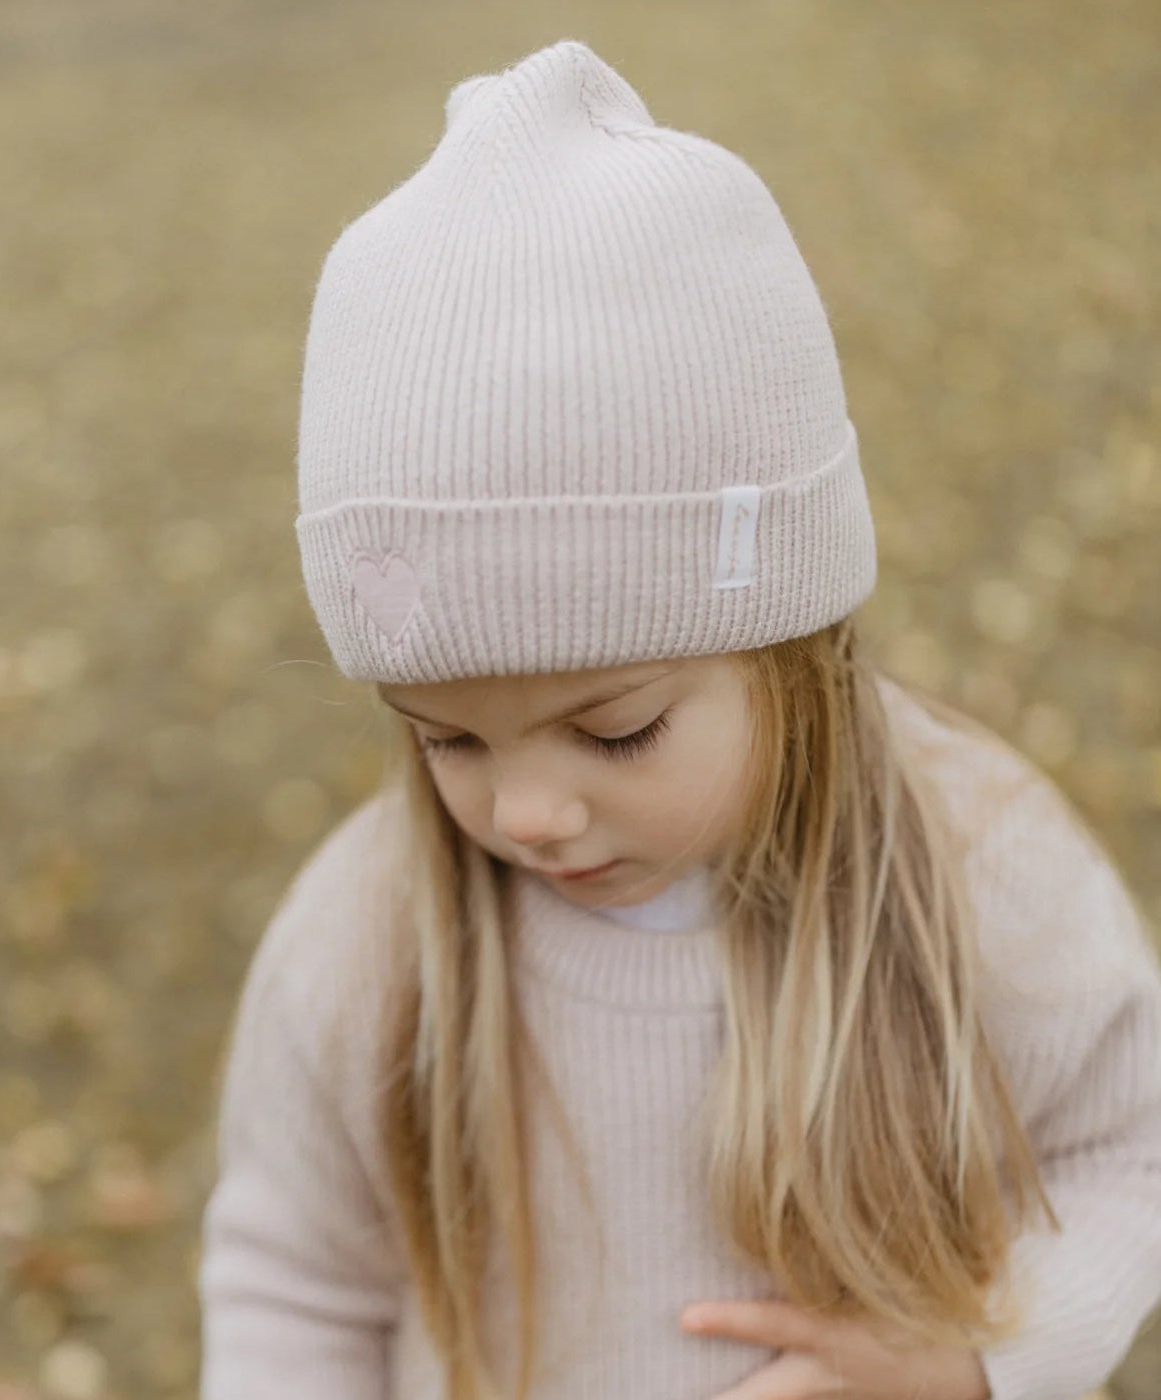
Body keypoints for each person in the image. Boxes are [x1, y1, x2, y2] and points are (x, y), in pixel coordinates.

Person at [197, 38, 1161, 1400]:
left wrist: (972, 1369)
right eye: (447, 738)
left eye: (617, 731)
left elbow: (1135, 1148)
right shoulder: (368, 944)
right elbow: (289, 1283)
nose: (526, 814)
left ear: (793, 648)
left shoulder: (975, 860)